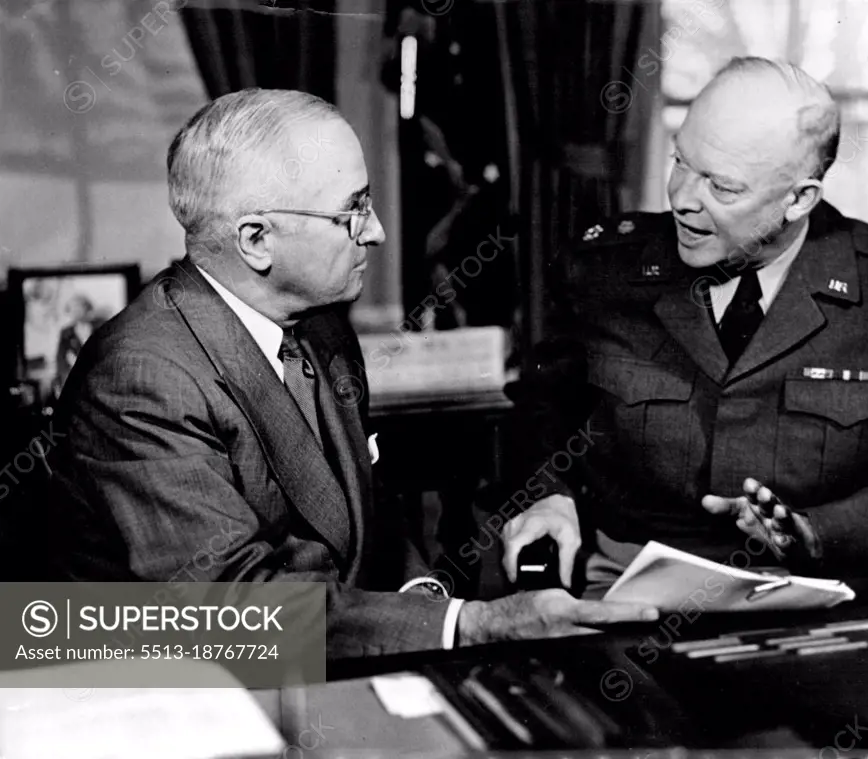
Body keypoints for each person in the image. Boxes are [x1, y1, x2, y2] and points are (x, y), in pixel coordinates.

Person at [41, 88, 656, 657]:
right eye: (353, 210)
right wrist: (471, 624)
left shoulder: (320, 325)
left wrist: (420, 600)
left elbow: (367, 515)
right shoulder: (142, 377)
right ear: (256, 239)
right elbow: (233, 615)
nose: (379, 231)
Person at [503, 57, 868, 595]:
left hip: (839, 594)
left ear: (800, 198)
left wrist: (814, 532)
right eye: (680, 161)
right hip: (627, 594)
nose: (682, 198)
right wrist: (548, 493)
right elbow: (542, 411)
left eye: (723, 187)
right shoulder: (601, 270)